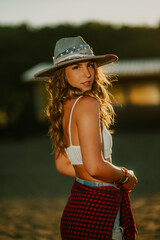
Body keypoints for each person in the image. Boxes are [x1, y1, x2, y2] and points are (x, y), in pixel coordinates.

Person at [34, 36, 138, 240]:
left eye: (90, 65)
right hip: (100, 206)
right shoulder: (88, 103)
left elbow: (63, 165)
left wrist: (91, 175)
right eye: (76, 67)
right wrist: (126, 176)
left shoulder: (64, 107)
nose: (87, 73)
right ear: (61, 74)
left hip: (77, 207)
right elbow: (95, 167)